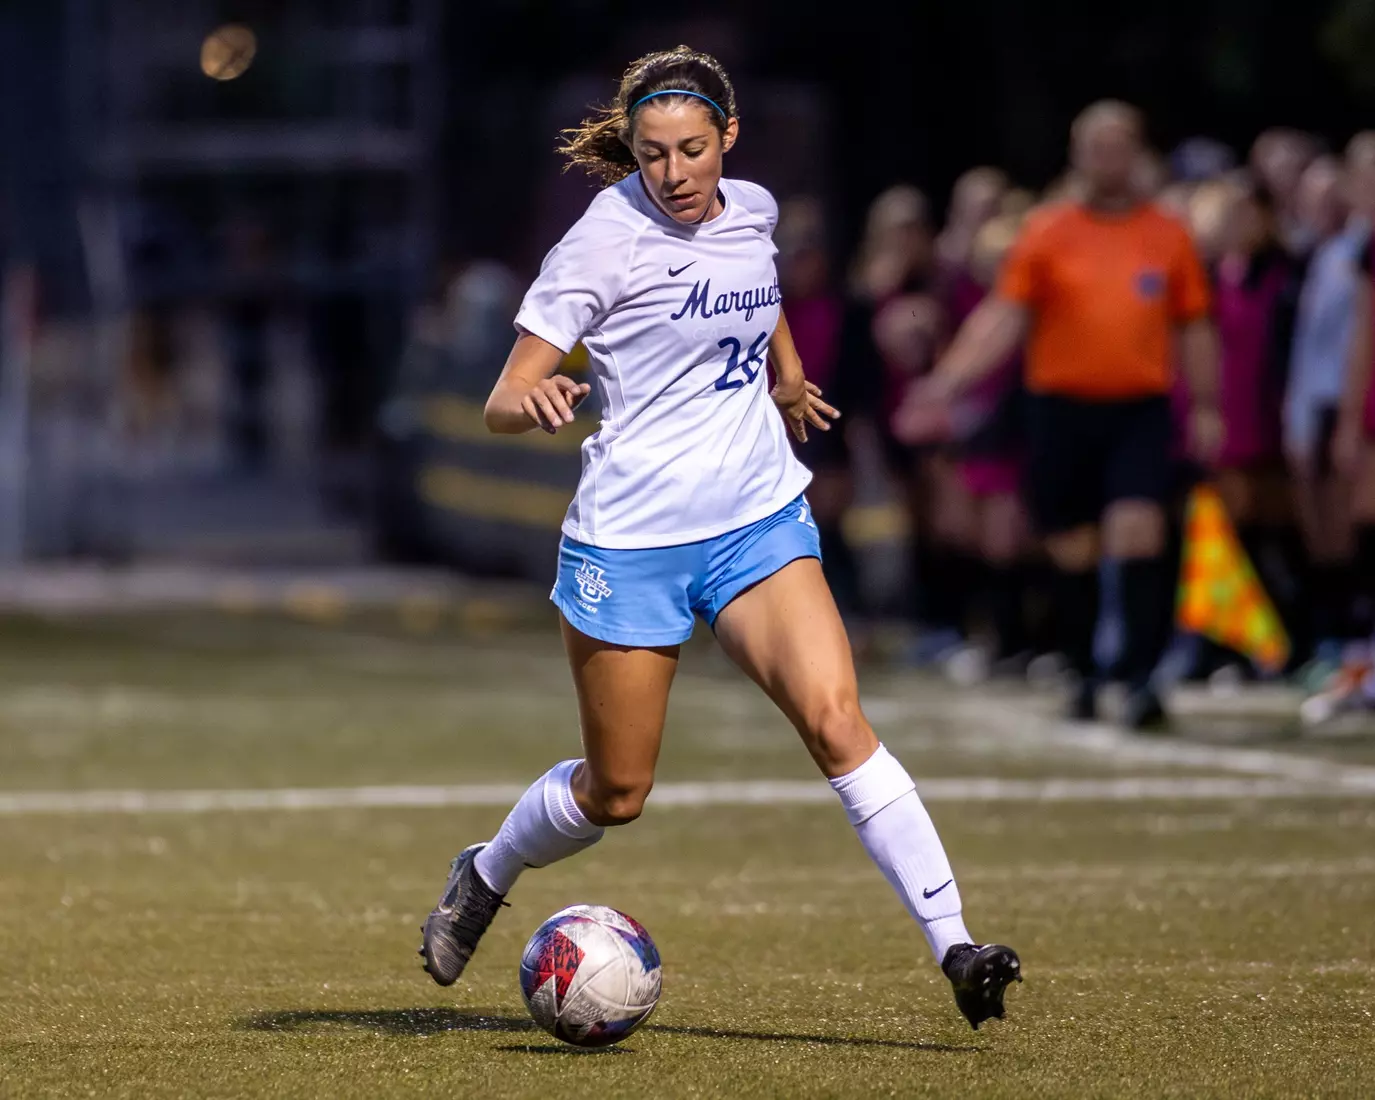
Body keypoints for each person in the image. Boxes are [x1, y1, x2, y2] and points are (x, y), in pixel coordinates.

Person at [415, 45, 1021, 1030]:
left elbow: (759, 286)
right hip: (630, 542)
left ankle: (955, 944)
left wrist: (783, 375)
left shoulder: (753, 209)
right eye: (653, 155)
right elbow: (500, 397)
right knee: (617, 791)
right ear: (634, 152)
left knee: (836, 719)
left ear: (726, 140)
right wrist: (540, 399)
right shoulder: (601, 243)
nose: (675, 173)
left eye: (692, 150)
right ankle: (488, 867)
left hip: (754, 519)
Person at [907, 101, 1221, 730]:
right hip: (1061, 408)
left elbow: (1193, 327)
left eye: (1120, 146)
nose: (1109, 159)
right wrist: (947, 382)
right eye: (1097, 147)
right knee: (1074, 548)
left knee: (1140, 532)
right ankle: (1082, 673)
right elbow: (1005, 317)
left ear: (1136, 153)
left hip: (1139, 407)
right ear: (1079, 155)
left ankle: (1137, 680)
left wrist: (1209, 405)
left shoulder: (1167, 233)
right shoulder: (1048, 231)